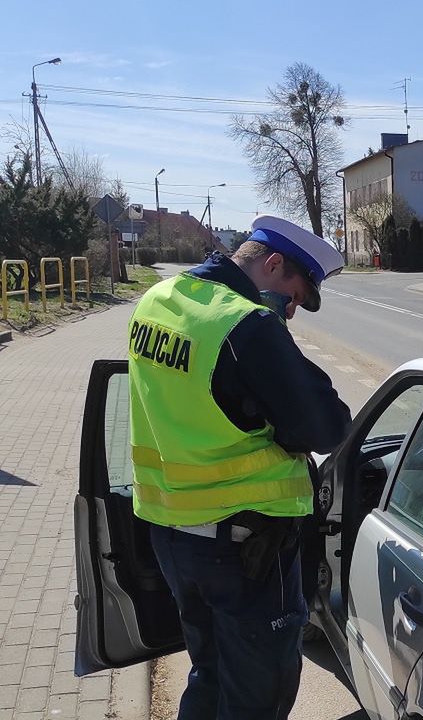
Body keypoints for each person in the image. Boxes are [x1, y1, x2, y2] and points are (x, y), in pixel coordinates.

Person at [127, 215, 352, 720]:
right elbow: (325, 427)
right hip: (244, 551)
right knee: (257, 700)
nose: (291, 311)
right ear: (272, 264)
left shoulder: (156, 300)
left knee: (208, 675)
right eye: (293, 295)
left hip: (171, 534)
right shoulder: (245, 324)